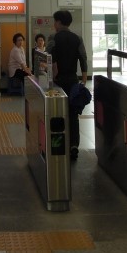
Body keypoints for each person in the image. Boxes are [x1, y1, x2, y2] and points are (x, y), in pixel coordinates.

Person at [47, 10, 88, 161]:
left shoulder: (53, 37)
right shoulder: (77, 38)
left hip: (57, 81)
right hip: (72, 80)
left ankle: (59, 143)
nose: (54, 24)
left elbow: (48, 55)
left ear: (58, 22)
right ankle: (74, 145)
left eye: (55, 21)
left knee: (57, 112)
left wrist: (52, 69)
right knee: (73, 114)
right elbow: (83, 57)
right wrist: (84, 78)